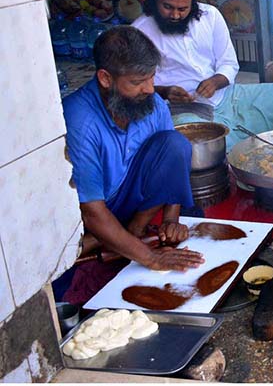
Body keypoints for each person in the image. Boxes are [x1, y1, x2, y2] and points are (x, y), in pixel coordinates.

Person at [62, 26, 205, 274]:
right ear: (106, 79)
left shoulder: (152, 103)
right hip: (93, 209)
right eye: (138, 82)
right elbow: (92, 212)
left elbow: (172, 160)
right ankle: (117, 234)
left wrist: (171, 220)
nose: (150, 88)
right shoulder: (80, 121)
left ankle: (129, 231)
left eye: (152, 77)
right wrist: (151, 258)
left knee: (174, 142)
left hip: (131, 200)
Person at [133, 0, 273, 149]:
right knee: (211, 142)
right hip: (180, 109)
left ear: (193, 4)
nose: (174, 15)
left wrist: (215, 81)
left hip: (226, 96)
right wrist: (166, 91)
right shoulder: (139, 31)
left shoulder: (210, 15)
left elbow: (228, 63)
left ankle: (251, 140)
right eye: (167, 7)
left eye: (182, 9)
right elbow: (136, 86)